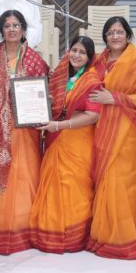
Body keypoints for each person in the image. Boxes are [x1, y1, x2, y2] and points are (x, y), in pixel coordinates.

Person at [0, 9, 50, 254]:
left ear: (24, 30)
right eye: (7, 26)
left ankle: (23, 230)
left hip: (25, 129)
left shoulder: (36, 60)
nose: (12, 29)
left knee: (24, 176)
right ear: (1, 30)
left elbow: (45, 89)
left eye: (16, 25)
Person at [86, 16, 136, 259]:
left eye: (119, 32)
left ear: (127, 35)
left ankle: (124, 239)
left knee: (124, 182)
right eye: (110, 32)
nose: (115, 36)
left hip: (127, 129)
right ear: (105, 37)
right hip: (102, 126)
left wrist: (114, 98)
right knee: (105, 179)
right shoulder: (99, 61)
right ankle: (103, 236)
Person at [29, 35, 101, 252]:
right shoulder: (61, 77)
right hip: (56, 137)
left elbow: (92, 116)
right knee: (53, 184)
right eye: (74, 50)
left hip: (77, 141)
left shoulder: (92, 80)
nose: (76, 55)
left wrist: (59, 125)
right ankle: (50, 232)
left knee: (73, 186)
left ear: (89, 57)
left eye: (82, 53)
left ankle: (72, 237)